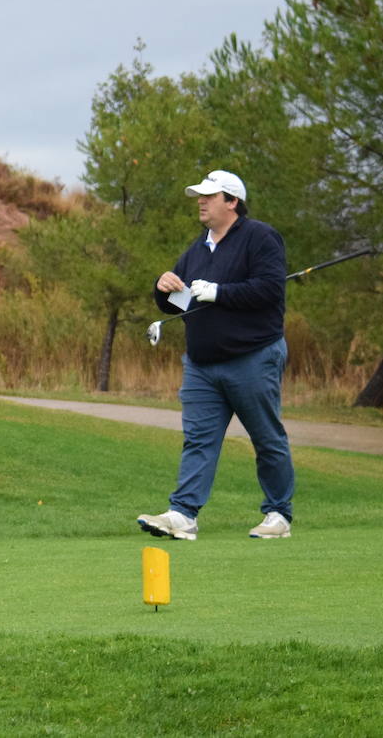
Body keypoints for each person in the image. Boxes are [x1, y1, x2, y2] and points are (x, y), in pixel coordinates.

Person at [137, 169, 295, 541]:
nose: (201, 201)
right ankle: (183, 514)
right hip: (202, 365)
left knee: (266, 438)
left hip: (253, 357)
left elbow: (270, 290)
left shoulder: (259, 237)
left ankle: (278, 515)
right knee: (198, 439)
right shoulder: (197, 249)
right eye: (199, 196)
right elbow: (179, 305)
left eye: (210, 195)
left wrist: (221, 293)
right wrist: (164, 290)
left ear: (232, 201)